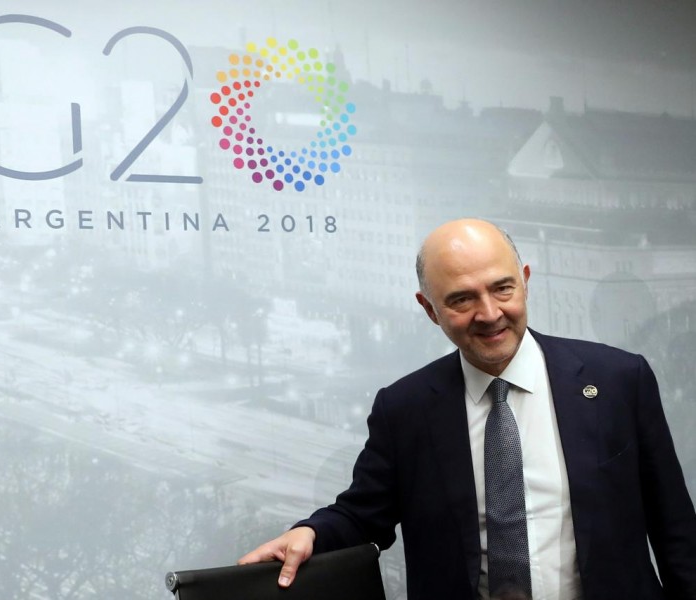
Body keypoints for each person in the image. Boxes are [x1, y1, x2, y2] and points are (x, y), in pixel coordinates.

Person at [238, 219, 696, 600]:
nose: (490, 313)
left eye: (502, 289)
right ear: (430, 309)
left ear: (526, 281)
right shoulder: (405, 409)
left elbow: (675, 528)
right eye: (461, 299)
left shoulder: (618, 380)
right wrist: (310, 533)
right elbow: (362, 515)